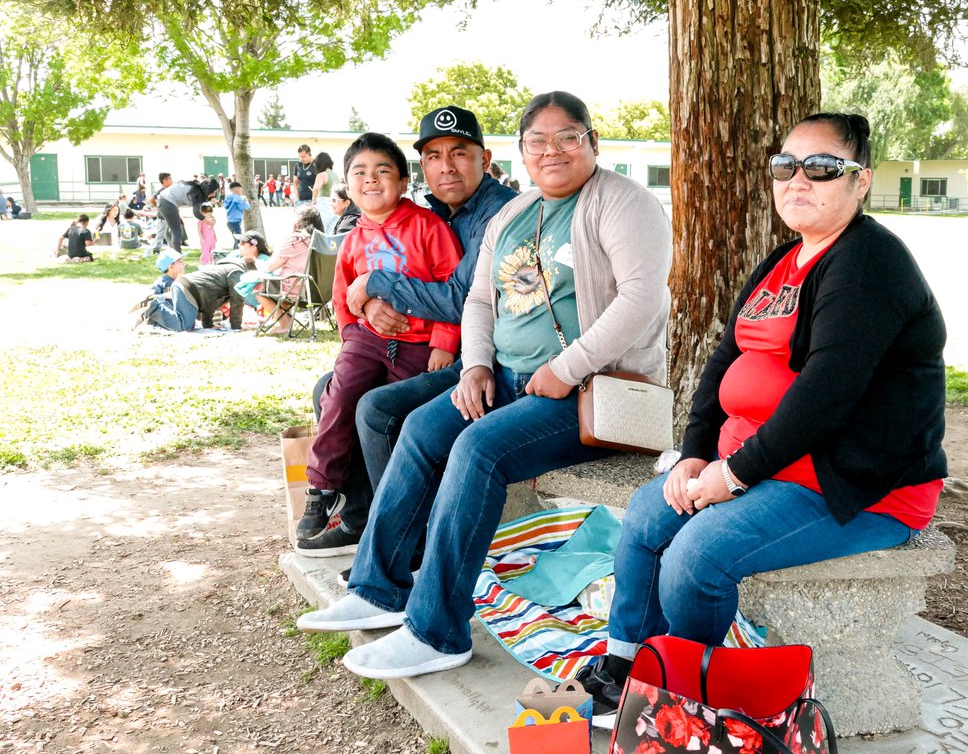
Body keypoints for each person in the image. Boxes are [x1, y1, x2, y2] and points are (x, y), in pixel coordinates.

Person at [569, 113, 947, 724]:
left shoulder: (869, 264)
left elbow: (827, 396)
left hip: (851, 484)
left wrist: (734, 474)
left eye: (822, 168)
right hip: (763, 464)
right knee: (646, 514)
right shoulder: (784, 259)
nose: (799, 180)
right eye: (785, 166)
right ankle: (626, 666)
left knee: (698, 556)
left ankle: (688, 702)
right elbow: (724, 360)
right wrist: (695, 452)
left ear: (861, 181)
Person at [297, 91, 672, 684]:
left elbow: (640, 300)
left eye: (568, 137)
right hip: (506, 377)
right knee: (421, 426)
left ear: (592, 142)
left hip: (593, 392)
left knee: (478, 449)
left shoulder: (624, 203)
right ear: (521, 153)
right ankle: (379, 588)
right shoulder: (513, 212)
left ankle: (437, 631)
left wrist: (566, 369)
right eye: (537, 141)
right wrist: (475, 366)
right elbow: (477, 299)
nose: (552, 151)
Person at [298, 105, 516, 559]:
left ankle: (401, 540)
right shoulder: (429, 210)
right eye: (433, 156)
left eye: (459, 153)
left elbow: (459, 298)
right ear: (421, 169)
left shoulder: (496, 213)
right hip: (408, 345)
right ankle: (360, 516)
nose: (446, 166)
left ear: (486, 158)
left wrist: (378, 287)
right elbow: (352, 287)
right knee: (329, 389)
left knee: (376, 407)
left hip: (483, 360)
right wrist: (370, 307)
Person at [251, 205, 325, 335]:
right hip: (320, 291)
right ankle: (284, 319)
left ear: (300, 219)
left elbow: (269, 267)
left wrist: (255, 261)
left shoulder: (296, 240)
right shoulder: (322, 240)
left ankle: (285, 323)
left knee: (258, 288)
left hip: (297, 288)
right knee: (281, 288)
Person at [154, 173, 218, 253]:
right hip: (167, 202)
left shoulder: (196, 187)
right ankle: (177, 257)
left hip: (163, 201)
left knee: (173, 230)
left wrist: (210, 198)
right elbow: (196, 213)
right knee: (176, 231)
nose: (215, 195)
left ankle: (173, 253)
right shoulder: (197, 194)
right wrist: (209, 222)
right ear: (209, 190)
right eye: (214, 192)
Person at [311, 152, 337, 226]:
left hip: (323, 204)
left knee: (321, 228)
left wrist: (313, 201)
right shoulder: (335, 175)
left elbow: (316, 188)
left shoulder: (322, 175)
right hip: (334, 204)